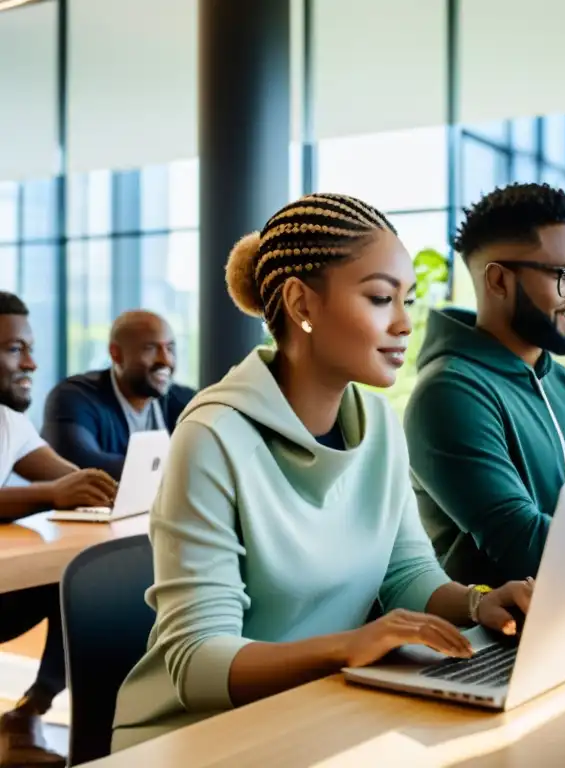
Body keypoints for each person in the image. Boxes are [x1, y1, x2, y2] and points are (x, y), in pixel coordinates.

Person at [110, 193, 533, 751]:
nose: (406, 323)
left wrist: (481, 602)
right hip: (200, 738)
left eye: (407, 299)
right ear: (301, 304)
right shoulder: (213, 436)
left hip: (323, 708)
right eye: (382, 298)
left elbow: (408, 575)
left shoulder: (379, 425)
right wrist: (347, 646)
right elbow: (197, 664)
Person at [404, 182, 565, 587]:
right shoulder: (449, 393)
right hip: (497, 640)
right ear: (498, 281)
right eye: (564, 275)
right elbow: (527, 549)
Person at [0, 291, 118, 767]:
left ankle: (30, 712)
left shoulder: (9, 422)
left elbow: (69, 479)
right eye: (13, 349)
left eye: (29, 347)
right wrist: (50, 495)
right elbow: (54, 491)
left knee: (85, 578)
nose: (30, 361)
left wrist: (115, 490)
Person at [42, 310, 195, 480]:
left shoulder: (185, 400)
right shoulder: (74, 397)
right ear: (116, 353)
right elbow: (83, 465)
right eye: (150, 348)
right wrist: (179, 469)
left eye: (170, 348)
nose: (165, 360)